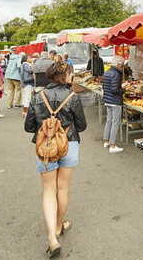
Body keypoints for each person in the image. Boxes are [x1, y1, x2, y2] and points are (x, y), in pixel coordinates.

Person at [24, 61, 87, 257]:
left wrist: (47, 127)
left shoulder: (37, 96)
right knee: (63, 188)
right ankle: (60, 224)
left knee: (49, 190)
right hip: (69, 145)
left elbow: (28, 127)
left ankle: (52, 237)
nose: (72, 76)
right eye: (70, 73)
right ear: (64, 76)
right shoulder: (72, 97)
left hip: (46, 149)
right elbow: (82, 125)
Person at [102, 56, 124, 154]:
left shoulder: (107, 72)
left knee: (109, 121)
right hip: (115, 101)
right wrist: (124, 89)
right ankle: (112, 145)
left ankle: (106, 141)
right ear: (118, 64)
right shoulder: (116, 74)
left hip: (107, 100)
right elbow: (115, 90)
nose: (123, 67)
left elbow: (105, 87)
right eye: (122, 65)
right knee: (115, 122)